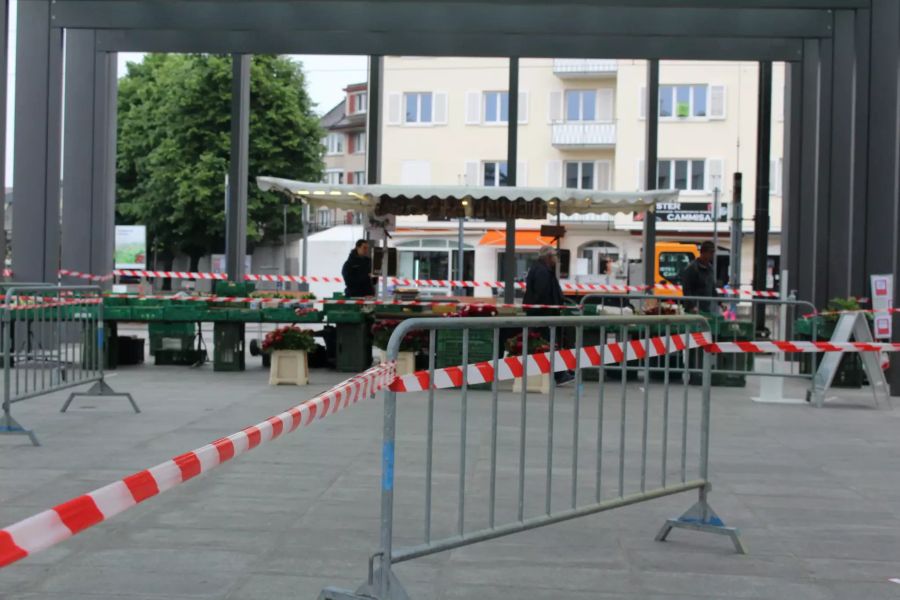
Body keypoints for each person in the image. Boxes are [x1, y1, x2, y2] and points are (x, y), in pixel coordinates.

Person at [523, 245, 574, 386]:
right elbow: (542, 294)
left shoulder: (540, 269)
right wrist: (550, 309)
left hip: (542, 314)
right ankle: (559, 375)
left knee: (549, 345)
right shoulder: (542, 272)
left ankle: (560, 373)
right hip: (544, 315)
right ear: (548, 257)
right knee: (549, 345)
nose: (556, 260)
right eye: (555, 257)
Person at [680, 240, 717, 313]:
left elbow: (712, 289)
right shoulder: (691, 268)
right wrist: (692, 306)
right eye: (711, 253)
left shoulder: (710, 269)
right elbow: (687, 290)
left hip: (705, 308)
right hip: (693, 310)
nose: (712, 255)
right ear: (703, 252)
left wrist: (720, 303)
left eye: (713, 253)